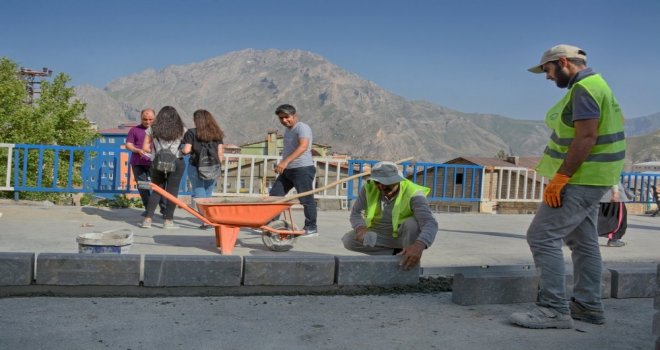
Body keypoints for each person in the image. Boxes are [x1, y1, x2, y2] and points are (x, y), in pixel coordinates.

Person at [509, 45, 626, 329]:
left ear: (562, 62)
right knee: (583, 241)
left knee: (541, 236)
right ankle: (588, 306)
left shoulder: (584, 88)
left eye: (548, 70)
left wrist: (562, 177)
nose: (548, 77)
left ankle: (553, 310)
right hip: (593, 177)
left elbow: (586, 136)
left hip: (581, 178)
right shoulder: (596, 85)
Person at [341, 161, 438, 270]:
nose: (381, 187)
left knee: (412, 224)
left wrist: (419, 245)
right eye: (378, 183)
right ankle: (396, 254)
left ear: (398, 180)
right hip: (381, 235)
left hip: (403, 236)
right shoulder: (368, 188)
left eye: (386, 184)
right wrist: (360, 228)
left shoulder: (414, 194)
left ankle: (409, 259)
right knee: (349, 240)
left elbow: (430, 223)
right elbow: (355, 214)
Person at [268, 104, 318, 237]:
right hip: (288, 170)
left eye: (286, 117)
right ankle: (271, 223)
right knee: (275, 196)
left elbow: (303, 147)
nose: (284, 120)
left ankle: (311, 228)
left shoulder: (302, 128)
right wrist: (283, 164)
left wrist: (284, 162)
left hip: (302, 169)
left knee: (306, 199)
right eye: (281, 118)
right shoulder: (288, 130)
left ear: (294, 115)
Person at [140, 106, 186, 229]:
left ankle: (147, 220)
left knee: (157, 190)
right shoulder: (182, 129)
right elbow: (186, 149)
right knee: (173, 190)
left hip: (157, 162)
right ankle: (168, 221)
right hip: (176, 161)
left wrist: (157, 150)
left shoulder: (152, 128)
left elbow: (145, 148)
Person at [182, 109, 225, 230]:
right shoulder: (217, 133)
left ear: (197, 120)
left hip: (196, 166)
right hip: (213, 166)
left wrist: (181, 152)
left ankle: (206, 221)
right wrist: (217, 165)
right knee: (208, 192)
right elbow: (220, 152)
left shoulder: (191, 132)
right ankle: (210, 218)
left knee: (199, 191)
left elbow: (186, 150)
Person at [124, 108, 166, 217]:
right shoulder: (134, 130)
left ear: (155, 118)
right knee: (142, 186)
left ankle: (164, 209)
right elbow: (128, 144)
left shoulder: (160, 130)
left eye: (151, 119)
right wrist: (137, 150)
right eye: (145, 119)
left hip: (155, 162)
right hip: (138, 162)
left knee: (159, 186)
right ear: (141, 118)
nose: (148, 122)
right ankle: (148, 209)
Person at [598, 183, 629, 247]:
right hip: (611, 195)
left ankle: (585, 239)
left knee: (596, 218)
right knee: (618, 220)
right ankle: (614, 239)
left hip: (598, 194)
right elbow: (613, 177)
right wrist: (616, 192)